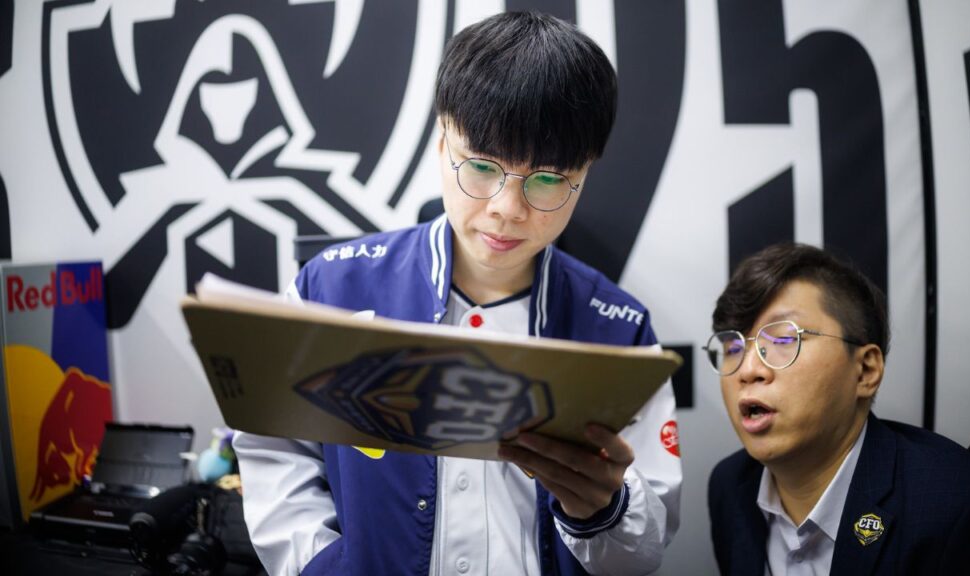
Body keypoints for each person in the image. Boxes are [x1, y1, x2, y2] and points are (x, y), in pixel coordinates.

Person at [233, 12, 682, 576]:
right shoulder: (331, 288)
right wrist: (325, 564)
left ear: (585, 173)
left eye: (547, 180)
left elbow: (642, 552)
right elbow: (275, 451)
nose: (507, 209)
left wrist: (605, 511)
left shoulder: (618, 329)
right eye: (482, 167)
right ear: (442, 138)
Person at [705, 243, 970, 575]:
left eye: (784, 340)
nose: (747, 370)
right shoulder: (730, 486)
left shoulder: (961, 511)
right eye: (733, 347)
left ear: (866, 371)